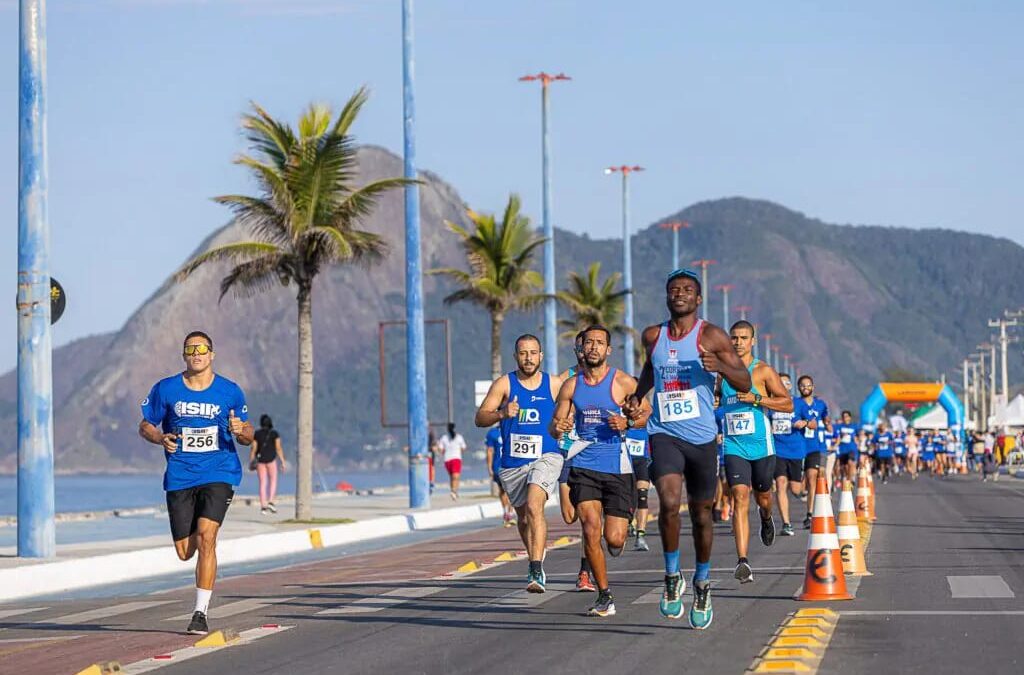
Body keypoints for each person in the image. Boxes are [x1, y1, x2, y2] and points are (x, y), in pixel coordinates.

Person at [627, 268, 752, 630]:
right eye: (673, 289)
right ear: (667, 297)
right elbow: (650, 370)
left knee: (701, 516)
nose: (679, 293)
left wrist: (721, 368)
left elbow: (743, 379)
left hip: (701, 439)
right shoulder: (653, 335)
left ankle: (701, 581)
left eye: (687, 290)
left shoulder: (711, 335)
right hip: (664, 432)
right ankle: (670, 576)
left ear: (698, 299)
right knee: (667, 503)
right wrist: (638, 395)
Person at [138, 331, 254, 635]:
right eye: (191, 349)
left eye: (202, 348)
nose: (197, 353)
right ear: (184, 355)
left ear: (212, 354)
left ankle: (200, 612)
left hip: (220, 471)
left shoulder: (230, 391)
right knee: (184, 551)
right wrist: (160, 437)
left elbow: (247, 434)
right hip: (180, 475)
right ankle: (198, 579)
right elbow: (145, 425)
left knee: (206, 536)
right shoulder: (167, 389)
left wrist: (241, 430)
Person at [551, 325, 649, 617]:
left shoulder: (622, 381)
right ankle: (605, 595)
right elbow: (554, 425)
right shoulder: (571, 385)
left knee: (614, 539)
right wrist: (560, 427)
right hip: (583, 464)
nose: (593, 347)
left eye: (599, 343)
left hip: (617, 467)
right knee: (589, 528)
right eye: (589, 343)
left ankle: (620, 534)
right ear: (582, 349)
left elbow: (646, 413)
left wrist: (628, 423)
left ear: (608, 350)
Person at [476, 334, 564, 592]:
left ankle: (536, 569)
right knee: (524, 518)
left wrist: (565, 424)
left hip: (546, 457)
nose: (529, 358)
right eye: (523, 353)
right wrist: (502, 413)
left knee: (536, 506)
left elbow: (572, 407)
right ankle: (533, 558)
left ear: (541, 356)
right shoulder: (505, 384)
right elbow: (480, 417)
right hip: (513, 463)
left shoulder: (554, 384)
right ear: (516, 356)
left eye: (533, 353)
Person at [718, 321, 791, 584]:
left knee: (763, 496)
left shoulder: (763, 371)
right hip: (733, 445)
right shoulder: (722, 372)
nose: (738, 342)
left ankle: (767, 516)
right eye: (734, 338)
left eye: (743, 338)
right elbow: (718, 398)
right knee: (739, 496)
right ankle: (743, 561)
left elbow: (788, 403)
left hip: (761, 447)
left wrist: (758, 399)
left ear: (753, 341)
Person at [557, 332, 596, 592]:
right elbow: (553, 411)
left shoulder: (604, 378)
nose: (585, 351)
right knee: (570, 516)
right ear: (576, 350)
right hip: (565, 451)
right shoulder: (564, 379)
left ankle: (585, 572)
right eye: (581, 347)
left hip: (592, 454)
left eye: (591, 345)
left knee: (588, 518)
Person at [770, 373, 805, 537]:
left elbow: (811, 420)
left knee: (795, 488)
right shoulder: (771, 403)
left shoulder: (798, 403)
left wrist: (804, 423)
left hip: (796, 450)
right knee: (780, 483)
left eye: (787, 383)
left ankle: (803, 489)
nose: (784, 385)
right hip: (778, 450)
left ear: (790, 386)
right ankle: (786, 523)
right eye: (780, 382)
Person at [793, 376, 828, 529]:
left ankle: (810, 514)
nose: (805, 388)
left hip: (814, 446)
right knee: (796, 489)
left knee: (812, 477)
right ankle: (801, 493)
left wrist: (828, 424)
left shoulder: (820, 404)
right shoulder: (795, 403)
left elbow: (825, 418)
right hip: (797, 445)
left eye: (808, 385)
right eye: (802, 385)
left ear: (813, 387)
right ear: (798, 387)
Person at [250, 415, 287, 514]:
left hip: (260, 461)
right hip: (271, 460)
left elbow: (253, 448)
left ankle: (263, 506)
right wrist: (283, 461)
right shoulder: (274, 433)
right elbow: (278, 448)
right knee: (273, 481)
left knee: (263, 483)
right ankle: (271, 501)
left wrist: (251, 461)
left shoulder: (257, 434)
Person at [625, 426, 652, 552]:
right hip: (623, 459)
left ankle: (640, 536)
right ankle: (628, 522)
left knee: (642, 497)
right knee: (626, 497)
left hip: (641, 459)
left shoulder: (647, 410)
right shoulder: (617, 409)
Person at [485, 425, 514, 527]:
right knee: (504, 490)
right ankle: (507, 511)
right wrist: (489, 467)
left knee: (507, 490)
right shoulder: (493, 433)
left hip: (509, 465)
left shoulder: (512, 427)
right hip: (499, 466)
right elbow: (489, 451)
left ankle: (509, 512)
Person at [437, 423, 467, 500]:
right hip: (454, 458)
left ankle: (454, 492)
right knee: (455, 477)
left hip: (448, 460)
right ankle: (454, 491)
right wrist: (458, 451)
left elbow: (440, 449)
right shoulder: (458, 437)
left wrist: (444, 451)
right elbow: (463, 448)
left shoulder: (444, 437)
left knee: (453, 477)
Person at [835, 411, 859, 485]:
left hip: (851, 448)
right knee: (844, 467)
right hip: (842, 449)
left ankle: (850, 480)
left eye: (846, 416)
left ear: (850, 417)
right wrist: (835, 445)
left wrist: (858, 443)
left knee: (850, 463)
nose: (845, 418)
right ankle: (847, 477)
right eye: (843, 417)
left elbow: (857, 436)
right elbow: (837, 437)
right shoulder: (839, 427)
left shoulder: (854, 426)